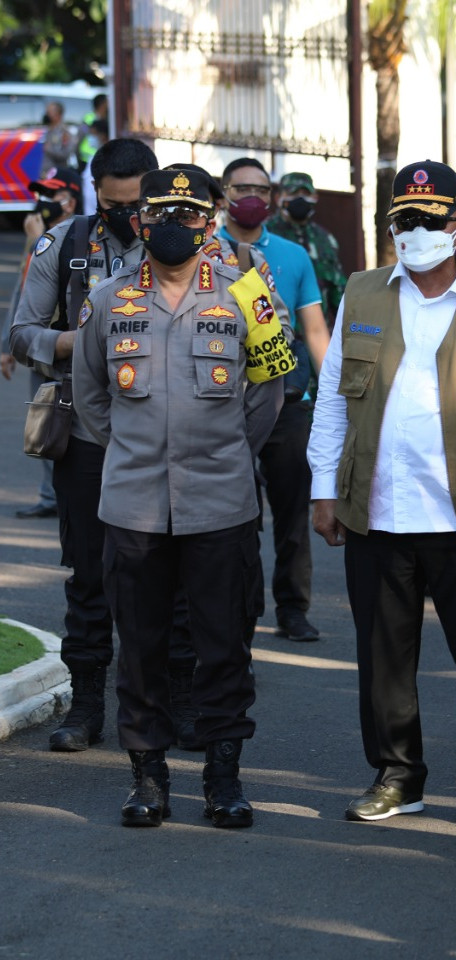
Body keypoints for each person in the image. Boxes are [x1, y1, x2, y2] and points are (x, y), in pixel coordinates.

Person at [72, 166, 288, 828]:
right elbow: (90, 396)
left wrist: (218, 453)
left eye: (189, 216)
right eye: (161, 214)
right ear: (142, 221)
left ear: (210, 224)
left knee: (225, 644)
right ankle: (148, 778)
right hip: (134, 504)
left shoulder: (248, 295)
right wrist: (140, 453)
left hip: (221, 502)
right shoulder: (106, 300)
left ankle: (223, 778)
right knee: (140, 646)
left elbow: (268, 393)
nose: (174, 226)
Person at [308, 159, 456, 828]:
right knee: (382, 658)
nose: (418, 230)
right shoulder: (363, 293)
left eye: (432, 219)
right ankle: (397, 777)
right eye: (406, 219)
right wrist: (323, 489)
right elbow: (335, 399)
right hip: (378, 506)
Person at [10, 138, 160, 753]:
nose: (127, 214)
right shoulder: (66, 243)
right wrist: (83, 340)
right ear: (95, 189)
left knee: (166, 578)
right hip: (87, 435)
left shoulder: (187, 239)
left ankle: (169, 703)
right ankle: (88, 705)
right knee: (91, 578)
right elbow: (21, 335)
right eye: (114, 201)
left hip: (165, 432)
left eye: (137, 202)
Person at [217, 157, 330, 643]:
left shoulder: (294, 255)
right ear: (223, 194)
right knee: (230, 515)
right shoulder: (203, 249)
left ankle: (292, 608)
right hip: (223, 402)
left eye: (263, 190)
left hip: (288, 400)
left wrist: (334, 401)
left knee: (291, 512)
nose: (254, 198)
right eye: (243, 188)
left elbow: (313, 329)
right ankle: (234, 614)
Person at [3, 166, 83, 519]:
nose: (44, 202)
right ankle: (51, 496)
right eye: (42, 194)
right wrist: (8, 347)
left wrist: (39, 242)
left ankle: (63, 498)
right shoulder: (38, 234)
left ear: (70, 200)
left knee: (64, 426)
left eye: (52, 195)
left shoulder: (75, 238)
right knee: (44, 423)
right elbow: (23, 296)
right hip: (39, 346)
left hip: (65, 349)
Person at [265, 172, 347, 329]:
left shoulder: (325, 240)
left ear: (315, 198)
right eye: (293, 193)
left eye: (305, 194)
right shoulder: (265, 235)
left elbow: (339, 293)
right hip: (274, 338)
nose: (300, 199)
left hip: (317, 337)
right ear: (278, 198)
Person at [41, 101, 76, 171]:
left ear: (58, 115)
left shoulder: (65, 133)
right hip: (41, 173)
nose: (46, 115)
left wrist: (48, 149)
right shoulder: (44, 130)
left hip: (56, 174)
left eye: (49, 112)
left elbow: (65, 154)